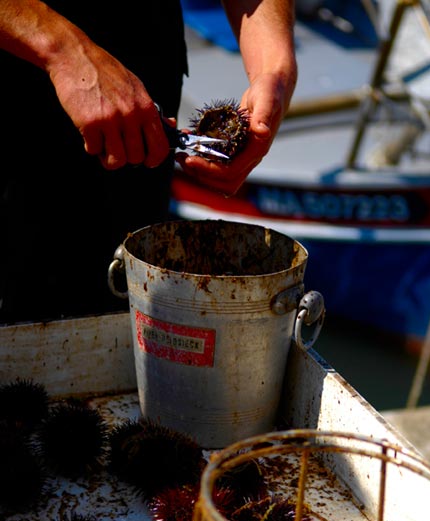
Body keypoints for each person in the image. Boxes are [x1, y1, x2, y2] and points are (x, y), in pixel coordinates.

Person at [0, 0, 297, 322]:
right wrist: (65, 51)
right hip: (15, 82)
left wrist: (274, 67)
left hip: (142, 92)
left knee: (107, 301)